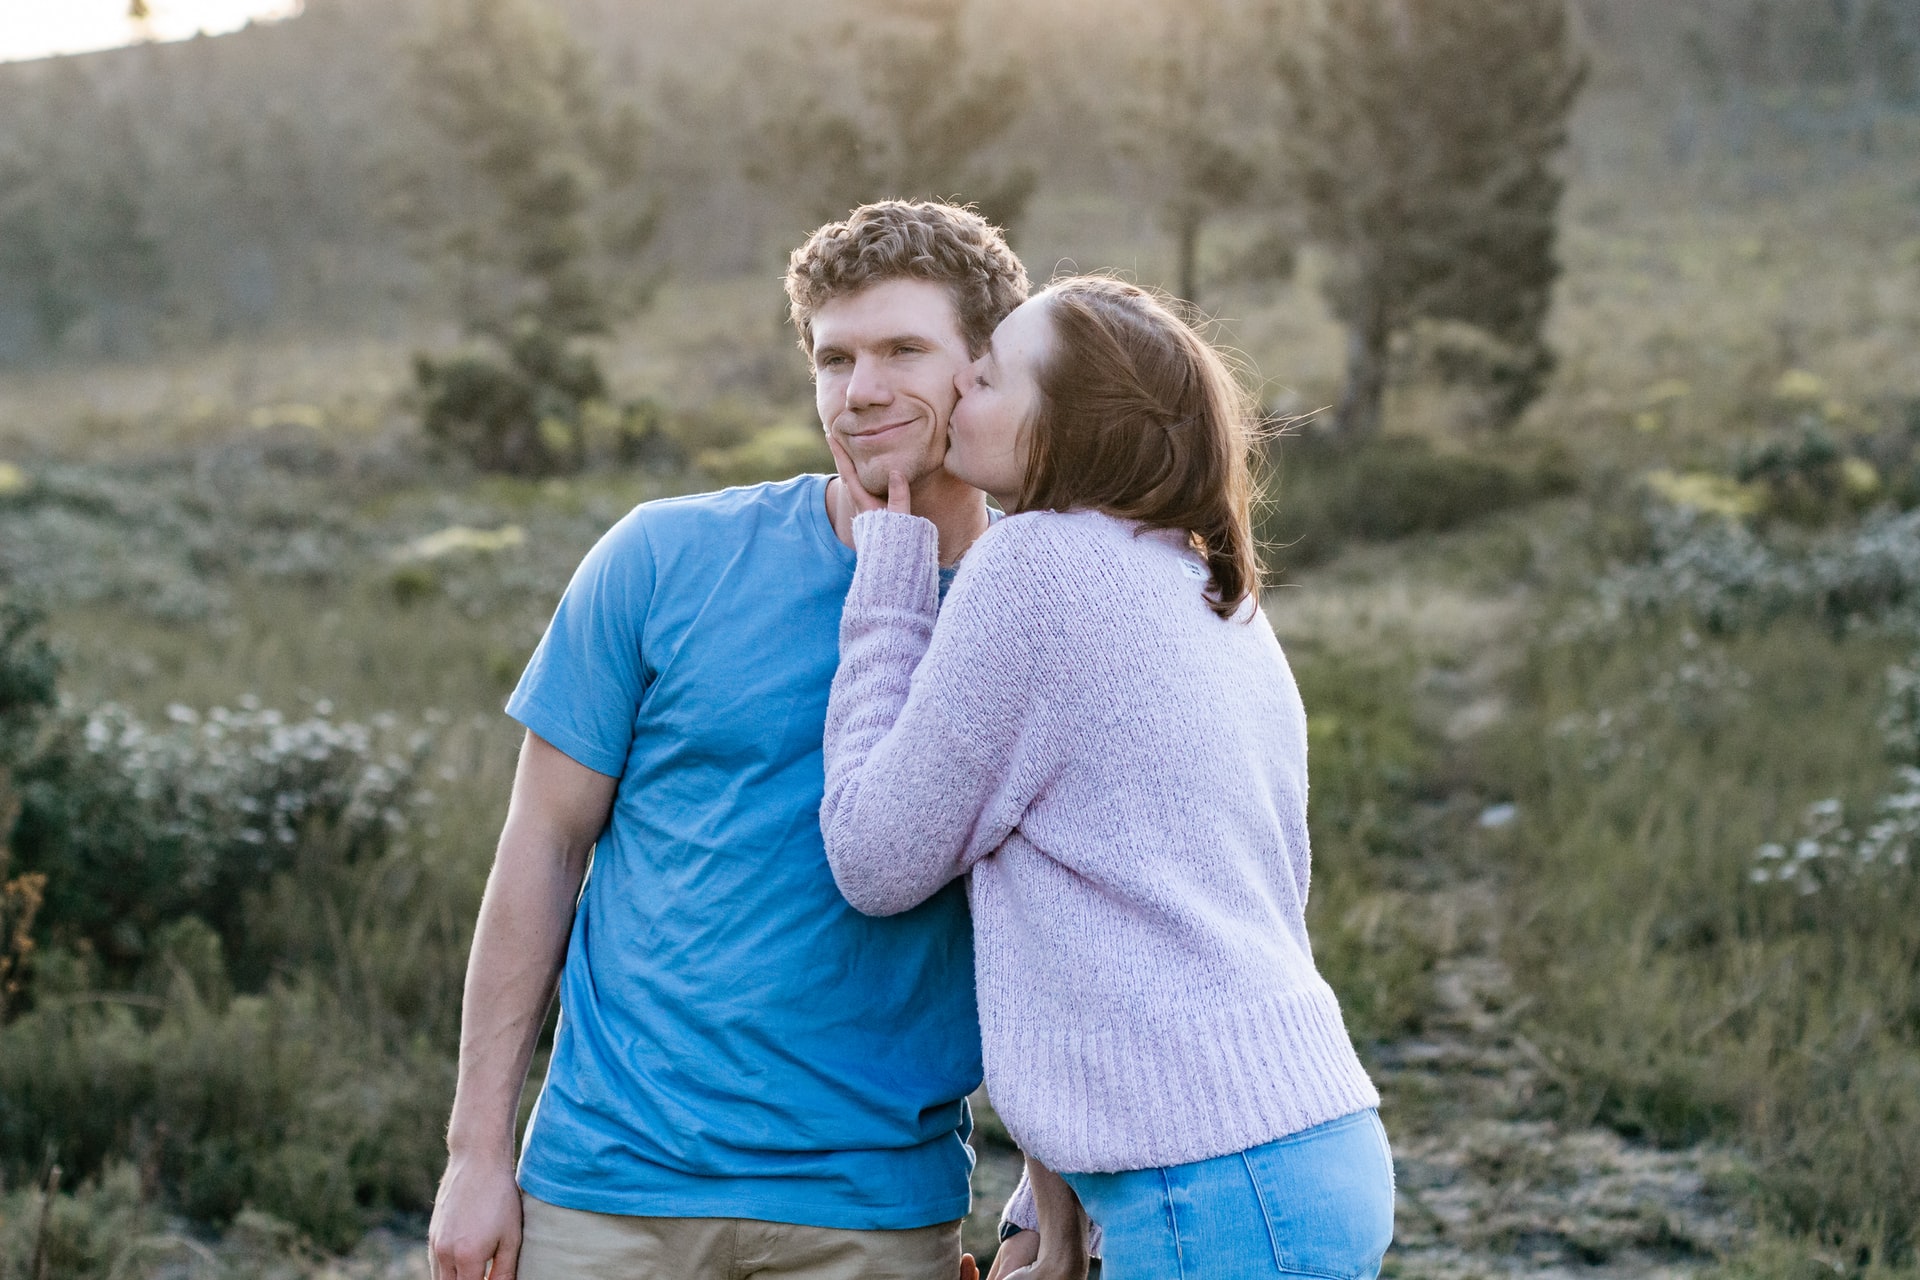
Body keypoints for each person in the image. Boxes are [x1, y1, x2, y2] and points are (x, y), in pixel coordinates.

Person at [426, 199, 1029, 1280]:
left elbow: (1089, 905)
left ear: (982, 369)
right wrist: (476, 1151)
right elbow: (543, 845)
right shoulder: (661, 559)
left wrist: (1046, 1193)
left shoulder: (1035, 606)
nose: (862, 390)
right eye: (835, 357)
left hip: (874, 1208)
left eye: (903, 349)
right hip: (608, 1191)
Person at [820, 277, 1396, 1280]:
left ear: (1068, 424)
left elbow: (874, 856)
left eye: (989, 378)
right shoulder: (1211, 590)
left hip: (1211, 1180)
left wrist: (892, 580)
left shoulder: (1035, 567)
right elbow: (1126, 942)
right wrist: (1044, 1212)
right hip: (1301, 1143)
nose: (959, 395)